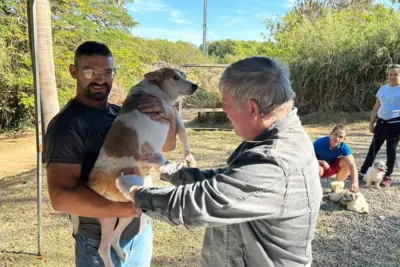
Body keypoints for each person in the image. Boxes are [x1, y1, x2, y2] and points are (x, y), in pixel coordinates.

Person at [117, 56, 323, 267]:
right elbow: (227, 183)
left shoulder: (274, 162)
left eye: (226, 103)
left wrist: (135, 193)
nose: (224, 110)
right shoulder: (272, 138)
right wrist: (170, 170)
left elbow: (198, 203)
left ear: (252, 109)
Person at [44, 41, 178, 267]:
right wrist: (128, 208)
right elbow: (60, 196)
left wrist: (169, 115)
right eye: (90, 71)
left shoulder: (121, 112)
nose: (99, 79)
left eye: (107, 72)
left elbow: (166, 146)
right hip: (98, 241)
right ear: (73, 71)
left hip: (139, 232)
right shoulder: (67, 125)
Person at [358, 64, 400, 187]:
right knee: (373, 149)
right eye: (390, 74)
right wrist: (371, 124)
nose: (392, 77)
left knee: (390, 151)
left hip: (395, 124)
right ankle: (364, 172)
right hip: (381, 123)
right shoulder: (383, 88)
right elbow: (377, 106)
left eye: (396, 74)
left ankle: (387, 176)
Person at [313, 125, 359, 192]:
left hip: (330, 168)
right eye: (335, 135)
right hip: (317, 167)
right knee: (319, 169)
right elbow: (307, 159)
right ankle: (313, 190)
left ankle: (337, 188)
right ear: (331, 134)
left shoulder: (344, 147)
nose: (337, 138)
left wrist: (355, 183)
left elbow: (352, 164)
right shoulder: (319, 143)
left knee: (346, 162)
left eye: (341, 137)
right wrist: (321, 163)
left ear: (344, 139)